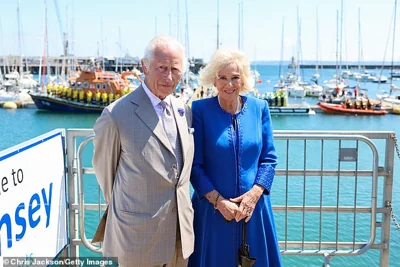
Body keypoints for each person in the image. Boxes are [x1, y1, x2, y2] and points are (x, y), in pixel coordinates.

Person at [92, 35, 195, 267]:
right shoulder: (116, 114)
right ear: (144, 66)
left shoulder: (182, 110)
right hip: (137, 238)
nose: (169, 76)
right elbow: (106, 176)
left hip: (181, 236)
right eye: (161, 68)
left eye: (175, 69)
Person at [188, 49, 282, 267]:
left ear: (244, 79)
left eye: (235, 78)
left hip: (254, 211)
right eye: (223, 78)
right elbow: (195, 165)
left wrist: (254, 195)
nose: (229, 84)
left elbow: (269, 159)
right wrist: (219, 202)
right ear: (214, 79)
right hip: (212, 212)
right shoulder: (200, 109)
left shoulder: (260, 108)